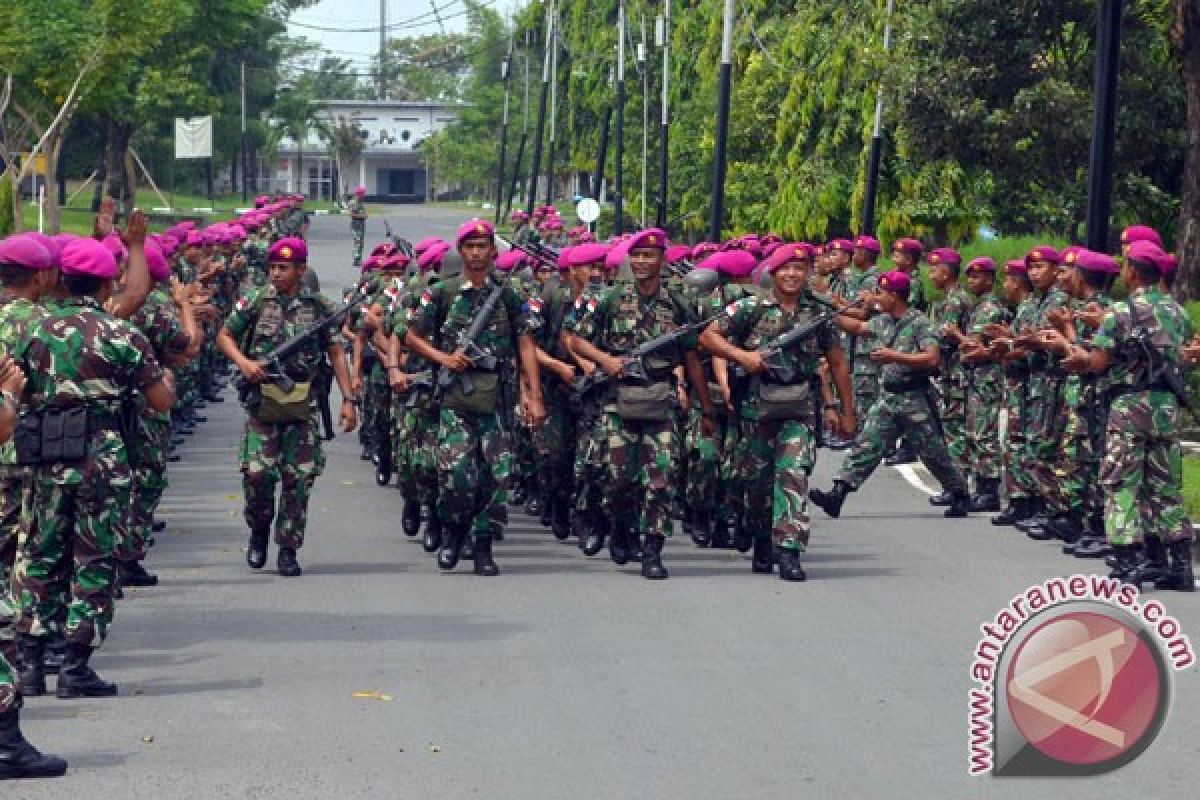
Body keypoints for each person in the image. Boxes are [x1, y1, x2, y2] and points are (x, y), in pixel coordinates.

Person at [12, 235, 175, 700]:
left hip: (44, 454)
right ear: (107, 284)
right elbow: (160, 401)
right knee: (96, 556)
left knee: (40, 554)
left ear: (61, 280)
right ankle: (76, 664)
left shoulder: (32, 331)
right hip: (100, 460)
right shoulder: (121, 335)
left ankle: (28, 663)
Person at [700, 243, 855, 581]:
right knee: (755, 481)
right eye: (786, 268)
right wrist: (743, 358)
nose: (792, 274)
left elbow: (838, 362)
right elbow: (709, 338)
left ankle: (790, 550)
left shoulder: (819, 314)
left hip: (799, 405)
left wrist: (846, 411)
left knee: (793, 472)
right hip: (757, 408)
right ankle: (759, 536)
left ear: (808, 273)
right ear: (772, 271)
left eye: (800, 268)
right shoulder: (751, 307)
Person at [568, 228, 715, 580]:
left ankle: (653, 549)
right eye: (637, 255)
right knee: (617, 478)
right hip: (618, 399)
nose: (642, 261)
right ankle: (620, 526)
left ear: (662, 260)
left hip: (661, 399)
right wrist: (606, 361)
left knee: (661, 480)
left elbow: (692, 356)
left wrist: (704, 406)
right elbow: (576, 339)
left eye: (650, 255)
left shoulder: (679, 304)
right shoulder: (609, 299)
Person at [404, 219, 546, 576]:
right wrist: (444, 359)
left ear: (493, 252)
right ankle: (453, 533)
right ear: (461, 251)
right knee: (456, 474)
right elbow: (411, 336)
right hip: (455, 398)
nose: (477, 253)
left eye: (483, 246)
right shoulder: (443, 292)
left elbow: (526, 343)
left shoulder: (509, 294)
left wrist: (534, 394)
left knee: (496, 477)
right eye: (470, 246)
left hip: (497, 397)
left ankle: (483, 546)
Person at [1057, 241, 1194, 591]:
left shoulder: (1122, 311)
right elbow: (1183, 357)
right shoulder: (1179, 313)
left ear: (1132, 271)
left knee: (1121, 482)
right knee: (1164, 485)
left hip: (1129, 406)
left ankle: (1129, 559)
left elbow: (1097, 362)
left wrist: (1077, 358)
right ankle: (1179, 564)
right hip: (1166, 408)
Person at [218, 237, 358, 577]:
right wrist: (245, 363)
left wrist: (349, 400)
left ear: (300, 270)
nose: (277, 274)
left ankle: (288, 548)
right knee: (257, 476)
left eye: (284, 268)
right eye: (273, 268)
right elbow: (224, 335)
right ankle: (259, 528)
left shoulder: (320, 306)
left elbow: (337, 352)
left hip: (301, 405)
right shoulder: (254, 301)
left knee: (298, 480)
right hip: (263, 403)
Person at [809, 271, 971, 519]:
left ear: (894, 296)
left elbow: (931, 357)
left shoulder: (919, 323)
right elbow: (858, 327)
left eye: (881, 293)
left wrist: (895, 357)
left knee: (933, 452)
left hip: (914, 398)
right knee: (867, 445)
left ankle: (959, 494)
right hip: (889, 398)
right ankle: (837, 494)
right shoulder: (883, 321)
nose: (876, 298)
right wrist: (828, 313)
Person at [348, 187, 368, 267]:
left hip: (361, 225)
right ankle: (356, 260)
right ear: (358, 194)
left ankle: (359, 259)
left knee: (361, 243)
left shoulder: (360, 202)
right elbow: (351, 214)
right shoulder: (353, 203)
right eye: (363, 194)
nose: (364, 195)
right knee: (357, 243)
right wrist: (362, 216)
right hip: (356, 226)